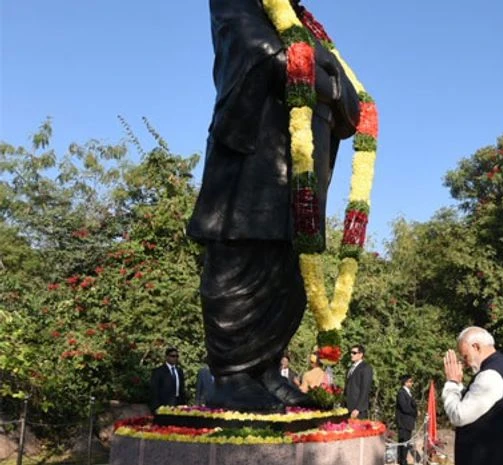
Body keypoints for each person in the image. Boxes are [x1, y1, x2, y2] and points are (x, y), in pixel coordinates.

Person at [186, 0, 361, 411]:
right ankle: (231, 374)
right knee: (242, 256)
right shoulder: (238, 2)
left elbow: (354, 106)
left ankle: (265, 370)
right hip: (253, 157)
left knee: (288, 272)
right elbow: (262, 54)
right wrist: (326, 77)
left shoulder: (306, 25)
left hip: (302, 172)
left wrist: (326, 75)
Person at [441, 327, 503, 465]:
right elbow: (476, 403)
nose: (465, 363)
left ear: (476, 347)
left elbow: (459, 415)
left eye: (465, 356)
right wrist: (459, 386)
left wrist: (451, 383)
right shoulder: (500, 367)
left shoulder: (490, 375)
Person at [149, 347, 188, 412]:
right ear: (166, 357)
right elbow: (154, 390)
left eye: (177, 356)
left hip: (178, 404)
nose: (175, 358)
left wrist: (183, 403)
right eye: (172, 356)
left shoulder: (179, 371)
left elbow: (181, 389)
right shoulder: (158, 371)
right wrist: (156, 407)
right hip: (164, 405)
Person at [395, 374, 419, 465]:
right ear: (405, 382)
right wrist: (415, 412)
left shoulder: (409, 392)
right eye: (410, 381)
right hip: (403, 422)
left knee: (407, 442)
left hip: (408, 421)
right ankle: (402, 460)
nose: (412, 383)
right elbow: (404, 407)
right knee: (403, 442)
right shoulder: (401, 393)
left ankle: (402, 459)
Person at [344, 344, 373, 419]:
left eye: (354, 353)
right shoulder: (350, 368)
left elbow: (365, 390)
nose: (351, 355)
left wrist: (358, 408)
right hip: (347, 408)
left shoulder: (366, 368)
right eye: (350, 352)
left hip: (358, 410)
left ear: (361, 354)